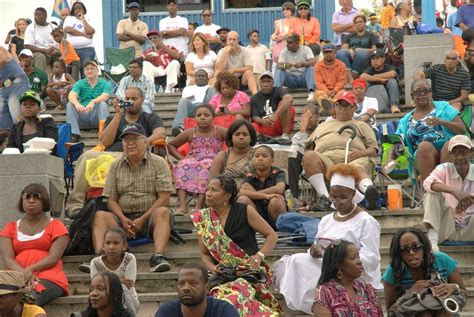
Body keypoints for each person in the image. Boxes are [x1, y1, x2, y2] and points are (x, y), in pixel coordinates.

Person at [274, 163, 382, 314]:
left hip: (351, 270)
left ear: (353, 195)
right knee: (297, 260)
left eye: (343, 197)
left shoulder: (366, 221)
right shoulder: (326, 220)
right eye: (334, 196)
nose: (337, 201)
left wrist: (342, 259)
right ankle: (316, 306)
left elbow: (371, 257)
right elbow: (318, 244)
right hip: (327, 264)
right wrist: (314, 250)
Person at [66, 88, 166, 216]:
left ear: (142, 100)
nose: (130, 101)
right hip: (111, 156)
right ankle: (75, 204)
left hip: (137, 155)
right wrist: (119, 115)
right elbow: (105, 142)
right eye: (127, 99)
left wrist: (145, 142)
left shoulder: (149, 117)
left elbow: (161, 133)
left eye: (134, 99)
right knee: (87, 156)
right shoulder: (114, 118)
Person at [191, 175, 280, 316]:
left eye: (214, 190)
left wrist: (259, 256)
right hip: (221, 275)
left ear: (227, 195)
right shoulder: (203, 218)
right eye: (208, 189)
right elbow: (204, 254)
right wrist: (212, 268)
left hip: (248, 271)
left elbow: (272, 235)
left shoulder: (245, 211)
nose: (208, 194)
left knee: (233, 298)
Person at [93, 122, 174, 272]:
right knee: (100, 216)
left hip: (150, 218)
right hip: (122, 218)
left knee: (163, 211)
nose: (130, 143)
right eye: (126, 140)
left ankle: (158, 256)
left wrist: (142, 219)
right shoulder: (115, 165)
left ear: (145, 141)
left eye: (134, 139)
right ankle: (99, 257)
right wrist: (123, 219)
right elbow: (111, 199)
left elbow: (164, 198)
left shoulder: (159, 163)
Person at [303, 91, 379, 210]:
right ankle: (325, 199)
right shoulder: (322, 126)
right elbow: (309, 147)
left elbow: (374, 149)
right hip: (326, 159)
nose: (343, 109)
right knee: (309, 157)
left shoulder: (361, 125)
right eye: (340, 105)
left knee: (358, 166)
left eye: (347, 105)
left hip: (352, 158)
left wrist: (360, 153)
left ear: (354, 108)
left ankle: (369, 192)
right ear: (335, 107)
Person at [0, 183, 69, 306]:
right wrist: (23, 274)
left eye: (36, 197)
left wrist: (30, 269)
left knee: (28, 301)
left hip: (49, 277)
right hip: (16, 277)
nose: (31, 201)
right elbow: (7, 258)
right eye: (27, 197)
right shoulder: (9, 228)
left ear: (45, 201)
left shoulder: (57, 226)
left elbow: (54, 257)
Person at [387, 79, 466, 181]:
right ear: (412, 96)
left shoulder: (443, 107)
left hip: (447, 149)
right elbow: (397, 141)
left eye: (425, 91)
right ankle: (431, 191)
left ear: (431, 93)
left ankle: (448, 189)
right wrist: (389, 158)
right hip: (423, 153)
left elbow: (462, 129)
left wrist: (443, 122)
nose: (422, 94)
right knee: (424, 146)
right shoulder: (406, 120)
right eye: (418, 92)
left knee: (449, 145)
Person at [383, 227, 467, 314]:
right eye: (405, 249)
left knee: (444, 310)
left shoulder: (442, 260)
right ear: (398, 253)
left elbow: (464, 293)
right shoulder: (394, 270)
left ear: (424, 246)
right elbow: (390, 311)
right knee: (423, 313)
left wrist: (453, 288)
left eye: (416, 247)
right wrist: (410, 293)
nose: (411, 252)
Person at [168, 104, 226, 214]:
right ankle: (182, 206)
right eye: (198, 115)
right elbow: (170, 145)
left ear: (213, 117)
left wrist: (226, 156)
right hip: (194, 160)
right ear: (195, 118)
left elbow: (234, 138)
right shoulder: (191, 132)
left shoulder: (218, 131)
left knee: (207, 166)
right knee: (181, 165)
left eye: (206, 115)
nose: (202, 117)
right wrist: (182, 158)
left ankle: (198, 206)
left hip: (213, 160)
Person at [423, 135, 474, 252]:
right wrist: (454, 191)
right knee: (432, 193)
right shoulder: (444, 168)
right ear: (450, 156)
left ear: (471, 153)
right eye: (456, 153)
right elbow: (427, 183)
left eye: (464, 152)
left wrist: (470, 199)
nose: (460, 157)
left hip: (470, 229)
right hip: (446, 229)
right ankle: (432, 243)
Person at [312, 240, 383, 316]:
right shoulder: (325, 291)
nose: (359, 262)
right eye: (353, 258)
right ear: (338, 264)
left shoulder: (367, 289)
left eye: (358, 257)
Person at [155, 262, 240, 317]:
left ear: (207, 287)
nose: (186, 288)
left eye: (193, 283)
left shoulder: (223, 310)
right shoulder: (166, 312)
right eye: (181, 283)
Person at [90, 228, 139, 315]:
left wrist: (107, 282)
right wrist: (119, 280)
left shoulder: (129, 259)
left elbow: (129, 284)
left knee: (123, 288)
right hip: (104, 299)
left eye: (116, 243)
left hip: (128, 299)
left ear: (124, 246)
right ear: (103, 246)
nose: (111, 247)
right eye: (108, 243)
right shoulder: (95, 263)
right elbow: (96, 285)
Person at [238, 145, 288, 229]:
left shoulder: (278, 173)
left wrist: (254, 193)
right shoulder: (249, 174)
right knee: (242, 200)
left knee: (276, 201)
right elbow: (242, 193)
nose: (260, 158)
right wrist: (265, 196)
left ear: (272, 161)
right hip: (257, 211)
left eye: (264, 156)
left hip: (274, 211)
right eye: (257, 156)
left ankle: (282, 230)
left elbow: (279, 189)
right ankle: (255, 231)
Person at [66, 60, 111, 140]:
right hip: (83, 113)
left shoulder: (105, 83)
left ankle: (105, 132)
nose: (89, 71)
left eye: (92, 68)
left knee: (103, 104)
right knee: (70, 104)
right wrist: (77, 104)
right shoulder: (80, 83)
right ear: (84, 71)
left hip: (97, 115)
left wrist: (93, 101)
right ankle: (74, 134)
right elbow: (71, 95)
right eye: (87, 69)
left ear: (97, 70)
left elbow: (105, 96)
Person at [210, 119, 256, 187]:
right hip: (227, 194)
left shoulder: (258, 154)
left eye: (245, 134)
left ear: (251, 138)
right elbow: (213, 181)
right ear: (231, 137)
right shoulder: (222, 156)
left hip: (250, 193)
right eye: (237, 134)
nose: (241, 137)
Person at [288, 103, 319, 201]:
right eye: (305, 116)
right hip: (303, 163)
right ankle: (294, 197)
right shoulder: (298, 135)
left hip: (320, 159)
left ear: (317, 117)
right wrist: (302, 132)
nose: (307, 119)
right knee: (292, 157)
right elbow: (294, 150)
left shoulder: (322, 129)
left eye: (310, 116)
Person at [251, 71, 295, 139]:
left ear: (273, 82)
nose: (266, 84)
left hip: (281, 124)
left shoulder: (278, 90)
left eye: (268, 81)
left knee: (285, 105)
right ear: (259, 83)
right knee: (252, 125)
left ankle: (285, 135)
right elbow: (255, 117)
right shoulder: (254, 98)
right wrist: (262, 121)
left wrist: (275, 115)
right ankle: (260, 139)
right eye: (263, 82)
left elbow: (289, 99)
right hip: (266, 125)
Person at [171, 69, 216, 136]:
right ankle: (179, 128)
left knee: (212, 89)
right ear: (195, 78)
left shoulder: (210, 88)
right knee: (183, 101)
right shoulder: (188, 88)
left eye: (203, 76)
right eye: (198, 76)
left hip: (206, 106)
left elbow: (213, 99)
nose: (200, 77)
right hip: (192, 107)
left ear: (207, 78)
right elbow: (184, 101)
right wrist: (189, 99)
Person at [336, 15, 378, 83]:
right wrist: (350, 50)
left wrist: (361, 49)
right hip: (351, 54)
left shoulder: (371, 35)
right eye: (356, 22)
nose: (358, 24)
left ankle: (352, 77)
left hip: (363, 55)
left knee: (362, 53)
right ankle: (351, 79)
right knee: (340, 53)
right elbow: (343, 48)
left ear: (365, 23)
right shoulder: (349, 35)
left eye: (360, 22)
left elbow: (375, 50)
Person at [275, 33, 316, 101]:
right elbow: (279, 65)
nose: (287, 45)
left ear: (297, 42)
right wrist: (285, 66)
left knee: (311, 67)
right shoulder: (284, 51)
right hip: (291, 80)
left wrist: (303, 64)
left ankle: (311, 92)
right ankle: (276, 94)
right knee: (279, 68)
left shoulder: (306, 49)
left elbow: (313, 62)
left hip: (304, 79)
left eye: (290, 43)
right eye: (287, 42)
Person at [215, 30, 257, 95]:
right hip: (227, 78)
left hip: (241, 78)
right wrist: (225, 53)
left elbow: (250, 68)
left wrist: (234, 70)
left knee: (248, 72)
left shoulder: (245, 50)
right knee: (217, 73)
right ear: (226, 41)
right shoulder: (222, 52)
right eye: (230, 39)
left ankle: (255, 95)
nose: (231, 42)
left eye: (234, 40)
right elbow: (219, 69)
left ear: (238, 41)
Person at [361, 48, 401, 114]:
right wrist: (379, 79)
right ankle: (365, 107)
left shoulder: (388, 67)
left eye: (377, 58)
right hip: (374, 92)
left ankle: (394, 106)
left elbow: (392, 74)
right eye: (373, 59)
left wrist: (376, 76)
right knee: (365, 83)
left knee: (392, 82)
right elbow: (362, 77)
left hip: (387, 92)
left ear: (383, 59)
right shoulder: (370, 69)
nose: (375, 61)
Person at [0, 47, 30, 129]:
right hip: (3, 88)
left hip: (16, 84)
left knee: (19, 120)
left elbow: (1, 59)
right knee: (3, 125)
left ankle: (25, 140)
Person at [63, 2, 97, 75]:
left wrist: (83, 19)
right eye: (75, 9)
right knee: (72, 73)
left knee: (86, 72)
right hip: (72, 50)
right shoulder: (69, 18)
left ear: (84, 10)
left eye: (80, 8)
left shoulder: (88, 19)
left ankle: (86, 86)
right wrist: (84, 34)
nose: (78, 10)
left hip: (87, 49)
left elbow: (90, 31)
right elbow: (68, 29)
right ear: (73, 11)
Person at [314, 44, 346, 114]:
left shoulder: (342, 65)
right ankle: (333, 107)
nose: (328, 54)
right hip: (323, 91)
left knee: (343, 93)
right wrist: (327, 91)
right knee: (319, 94)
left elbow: (341, 81)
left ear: (335, 53)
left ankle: (326, 108)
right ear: (323, 53)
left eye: (330, 52)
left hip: (337, 90)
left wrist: (335, 91)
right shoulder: (317, 66)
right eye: (326, 52)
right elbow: (319, 83)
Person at [24, 7, 58, 72]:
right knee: (41, 57)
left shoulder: (54, 27)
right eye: (35, 15)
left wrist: (57, 51)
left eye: (38, 15)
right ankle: (38, 80)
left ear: (45, 16)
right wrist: (45, 50)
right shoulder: (31, 27)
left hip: (53, 52)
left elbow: (60, 42)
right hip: (37, 53)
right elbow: (27, 46)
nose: (35, 17)